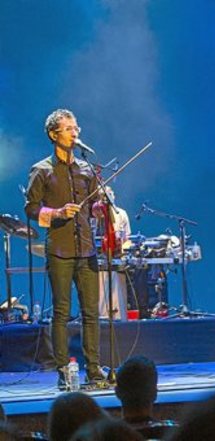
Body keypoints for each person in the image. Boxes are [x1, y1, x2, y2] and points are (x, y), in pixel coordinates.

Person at [25, 109, 106, 388]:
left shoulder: (86, 169)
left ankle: (94, 370)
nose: (75, 133)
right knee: (61, 311)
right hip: (59, 249)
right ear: (53, 134)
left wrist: (99, 207)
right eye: (69, 128)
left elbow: (93, 209)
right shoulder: (41, 170)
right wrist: (57, 213)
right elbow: (31, 209)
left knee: (91, 313)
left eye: (76, 128)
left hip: (87, 249)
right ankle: (63, 372)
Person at [97, 186, 131, 321]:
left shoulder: (121, 213)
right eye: (103, 196)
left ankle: (120, 317)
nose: (107, 197)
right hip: (98, 258)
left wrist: (121, 244)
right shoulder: (95, 214)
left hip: (117, 257)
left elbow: (127, 237)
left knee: (118, 293)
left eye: (109, 194)